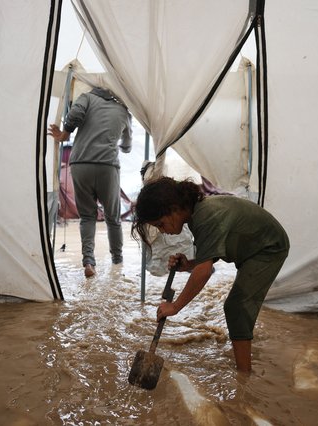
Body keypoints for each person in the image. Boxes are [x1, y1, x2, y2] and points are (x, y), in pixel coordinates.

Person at [131, 177, 289, 373]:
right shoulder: (198, 215)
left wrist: (175, 306)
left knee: (237, 306)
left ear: (173, 208)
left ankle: (244, 376)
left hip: (268, 248)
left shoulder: (206, 216)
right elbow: (211, 253)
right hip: (252, 248)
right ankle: (243, 361)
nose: (162, 231)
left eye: (160, 224)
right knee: (237, 306)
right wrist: (188, 264)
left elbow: (204, 271)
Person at [49, 87, 132, 277]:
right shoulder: (124, 111)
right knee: (113, 219)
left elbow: (75, 113)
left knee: (87, 217)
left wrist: (66, 134)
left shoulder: (86, 98)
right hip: (107, 166)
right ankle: (117, 263)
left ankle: (88, 261)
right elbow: (127, 146)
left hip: (80, 164)